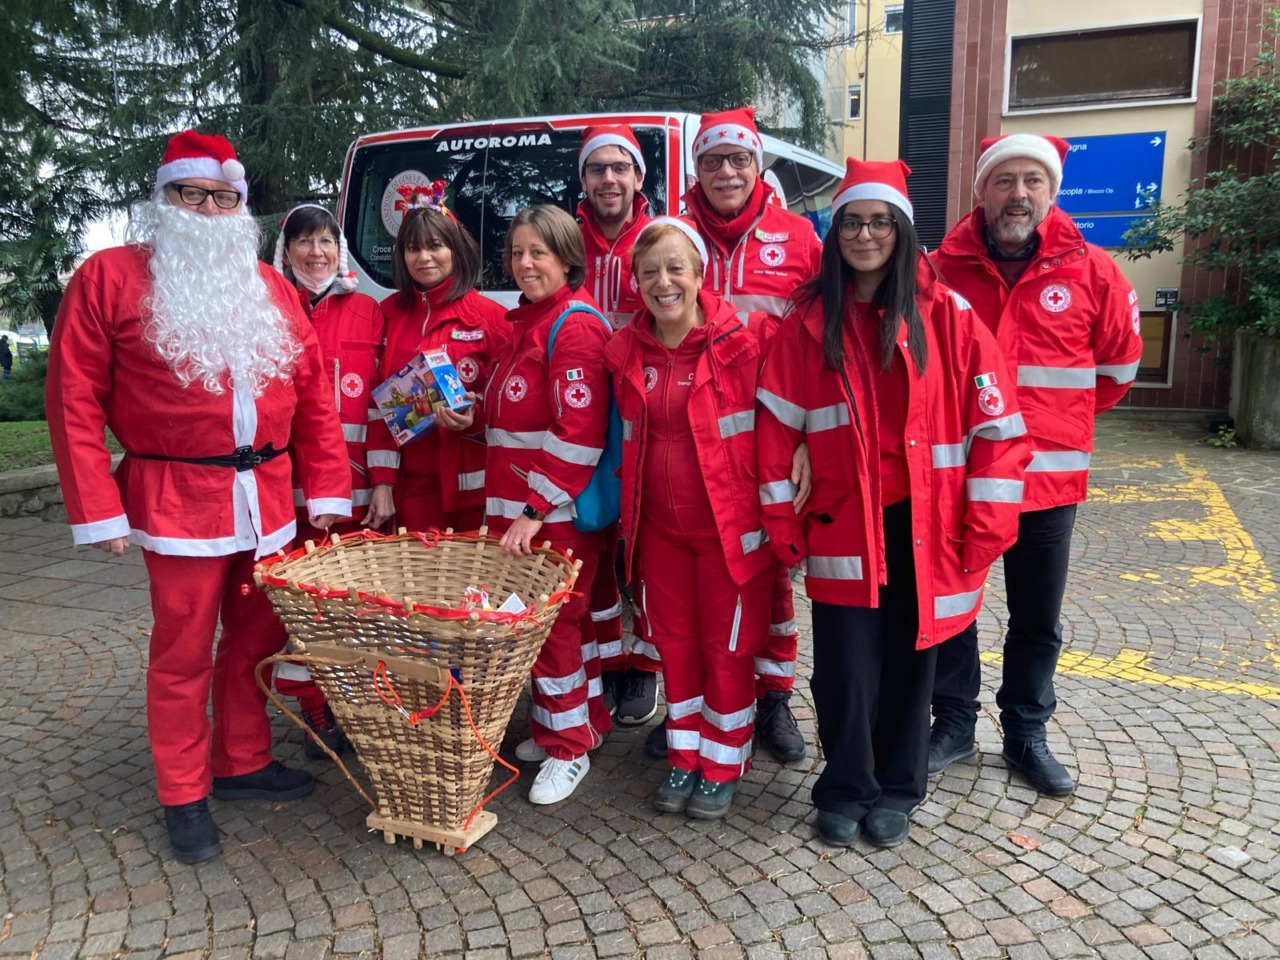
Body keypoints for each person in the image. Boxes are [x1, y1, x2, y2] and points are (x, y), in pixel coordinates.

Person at [45, 131, 352, 865]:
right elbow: (73, 397)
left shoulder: (272, 288)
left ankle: (240, 759)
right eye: (192, 194)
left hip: (269, 498)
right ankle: (183, 791)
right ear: (165, 198)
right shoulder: (111, 278)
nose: (208, 208)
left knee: (256, 638)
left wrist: (330, 488)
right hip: (178, 496)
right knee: (181, 651)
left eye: (224, 197)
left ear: (241, 206)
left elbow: (313, 398)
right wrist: (97, 507)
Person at [756, 157, 1029, 847]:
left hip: (925, 527)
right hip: (844, 521)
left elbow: (998, 429)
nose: (865, 234)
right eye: (852, 221)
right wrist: (780, 520)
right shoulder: (810, 320)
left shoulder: (950, 318)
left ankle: (899, 788)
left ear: (901, 230)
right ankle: (845, 786)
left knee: (915, 664)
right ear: (835, 231)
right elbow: (773, 427)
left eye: (879, 221)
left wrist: (987, 525)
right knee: (846, 670)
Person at [927, 135, 1143, 797]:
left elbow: (1118, 371)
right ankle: (954, 723)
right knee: (952, 609)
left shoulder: (1094, 272)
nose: (1017, 194)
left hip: (1047, 483)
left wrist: (1057, 429)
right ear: (981, 192)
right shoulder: (938, 269)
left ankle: (1025, 731)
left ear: (1050, 193)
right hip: (960, 479)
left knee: (1036, 618)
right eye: (1003, 181)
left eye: (1031, 182)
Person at [443, 205, 613, 804]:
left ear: (567, 256)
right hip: (521, 510)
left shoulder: (574, 326)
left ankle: (569, 751)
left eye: (538, 251)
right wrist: (470, 416)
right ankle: (574, 725)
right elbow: (511, 418)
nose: (525, 263)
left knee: (551, 626)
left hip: (550, 515)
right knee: (556, 624)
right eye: (517, 252)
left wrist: (535, 511)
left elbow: (580, 431)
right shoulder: (525, 326)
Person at [606, 217, 774, 819]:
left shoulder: (747, 340)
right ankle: (685, 754)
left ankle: (725, 759)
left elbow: (791, 410)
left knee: (725, 648)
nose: (663, 282)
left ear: (701, 274)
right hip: (658, 533)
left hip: (730, 533)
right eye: (649, 272)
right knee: (674, 645)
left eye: (676, 267)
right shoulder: (623, 350)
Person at [679, 105, 822, 765]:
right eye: (713, 160)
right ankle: (705, 700)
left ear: (757, 164)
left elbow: (821, 342)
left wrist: (805, 440)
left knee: (769, 571)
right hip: (692, 436)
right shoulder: (674, 236)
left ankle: (775, 698)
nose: (727, 171)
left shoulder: (798, 238)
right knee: (696, 575)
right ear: (696, 169)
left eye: (738, 159)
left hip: (769, 432)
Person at [267, 202, 385, 759]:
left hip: (358, 493)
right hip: (285, 495)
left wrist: (383, 480)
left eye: (326, 241)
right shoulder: (267, 307)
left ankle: (353, 710)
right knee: (303, 609)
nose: (317, 252)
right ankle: (312, 709)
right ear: (285, 251)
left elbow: (388, 404)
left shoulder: (370, 310)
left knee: (353, 608)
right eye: (304, 241)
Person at [576, 124, 660, 726]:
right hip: (582, 418)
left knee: (649, 550)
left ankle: (647, 668)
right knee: (595, 547)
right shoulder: (563, 237)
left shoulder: (659, 238)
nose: (609, 179)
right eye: (597, 169)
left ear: (638, 176)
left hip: (648, 414)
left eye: (619, 168)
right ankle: (606, 663)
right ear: (584, 179)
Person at [365, 188, 510, 533]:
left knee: (474, 588)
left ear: (455, 250)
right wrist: (383, 482)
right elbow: (378, 409)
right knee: (415, 587)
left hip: (477, 493)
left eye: (435, 245)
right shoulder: (387, 316)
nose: (424, 257)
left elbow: (513, 403)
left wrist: (475, 417)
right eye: (413, 248)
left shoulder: (493, 319)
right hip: (412, 492)